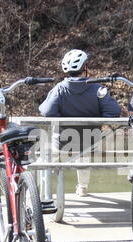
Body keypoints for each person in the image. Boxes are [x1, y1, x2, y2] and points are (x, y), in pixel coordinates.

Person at [39, 49, 121, 196]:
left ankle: (44, 190)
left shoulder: (59, 89)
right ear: (85, 68)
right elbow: (114, 112)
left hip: (63, 144)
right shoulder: (98, 89)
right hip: (90, 142)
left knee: (47, 152)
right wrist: (102, 122)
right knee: (84, 151)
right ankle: (82, 187)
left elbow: (46, 111)